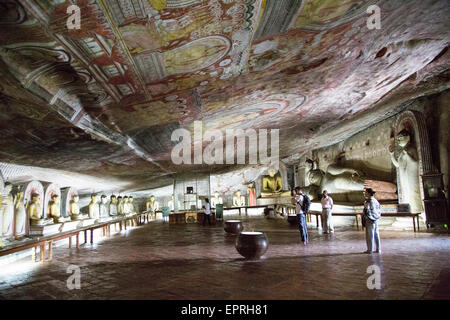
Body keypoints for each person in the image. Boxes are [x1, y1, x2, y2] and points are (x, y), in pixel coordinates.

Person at [363, 188, 381, 254]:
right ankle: (378, 249)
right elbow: (379, 209)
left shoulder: (370, 201)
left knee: (370, 235)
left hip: (370, 219)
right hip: (375, 219)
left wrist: (368, 217)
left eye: (366, 192)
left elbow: (369, 210)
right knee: (376, 234)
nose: (365, 193)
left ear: (368, 193)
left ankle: (370, 249)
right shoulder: (375, 200)